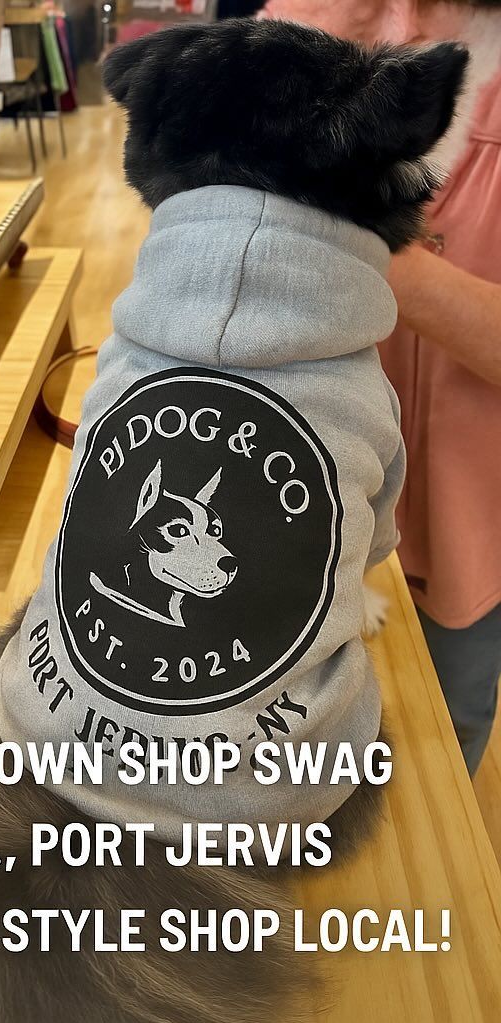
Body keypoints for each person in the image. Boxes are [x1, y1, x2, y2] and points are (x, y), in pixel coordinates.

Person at [262, 0, 501, 773]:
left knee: (438, 740)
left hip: (472, 505)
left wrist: (372, 247)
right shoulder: (317, 19)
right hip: (292, 481)